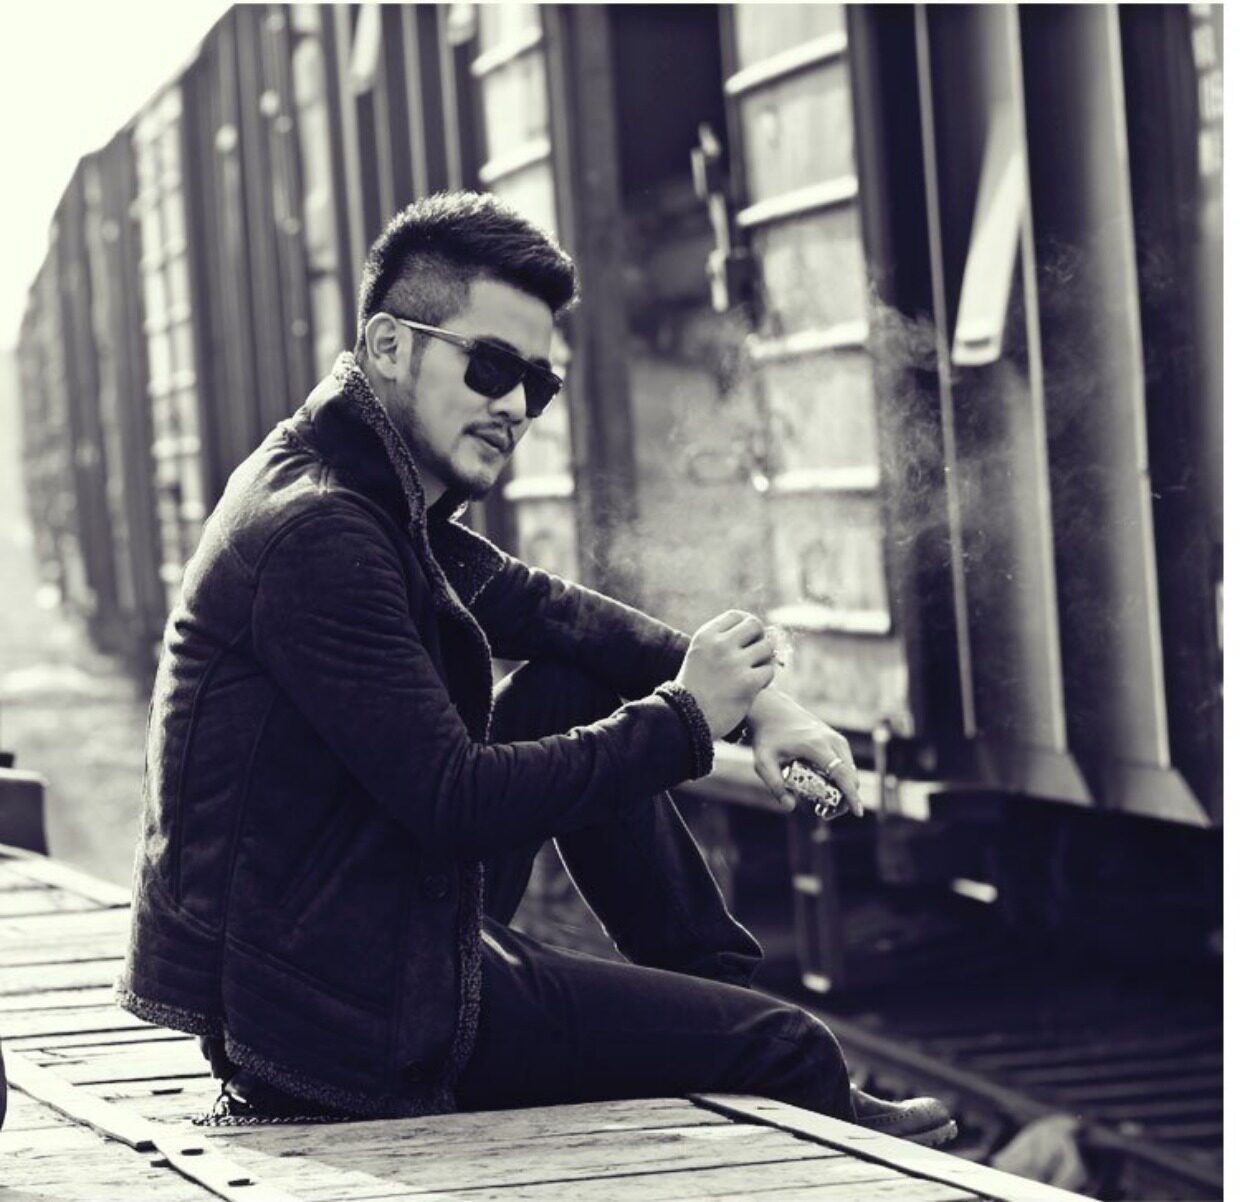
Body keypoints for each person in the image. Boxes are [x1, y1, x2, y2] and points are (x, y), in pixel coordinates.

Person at [117, 191, 954, 1145]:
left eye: (537, 386)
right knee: (789, 1048)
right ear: (388, 345)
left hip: (346, 936)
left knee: (575, 681)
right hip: (344, 1018)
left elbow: (552, 614)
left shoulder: (357, 484)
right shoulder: (322, 533)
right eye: (489, 367)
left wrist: (763, 707)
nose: (514, 406)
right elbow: (456, 799)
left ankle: (712, 1002)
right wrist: (686, 718)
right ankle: (750, 1049)